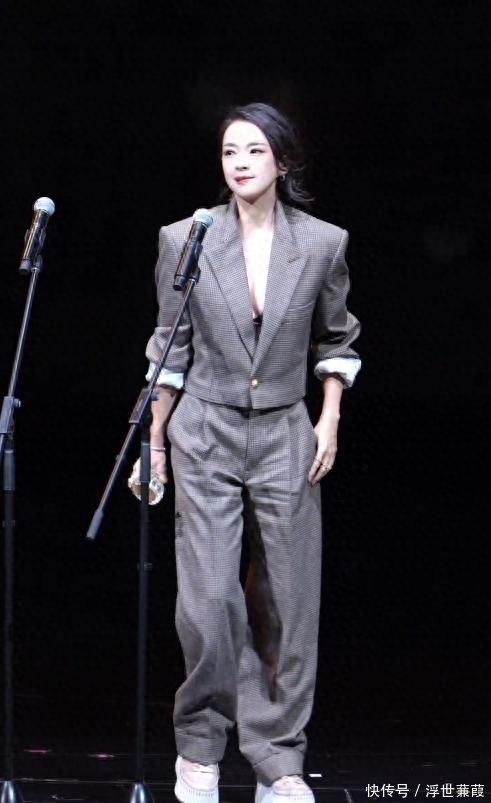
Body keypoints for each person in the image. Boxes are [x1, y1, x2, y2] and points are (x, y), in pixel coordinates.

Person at [143, 102, 361, 803]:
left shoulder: (322, 243)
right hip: (204, 428)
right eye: (229, 151)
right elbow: (169, 347)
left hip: (284, 430)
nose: (239, 162)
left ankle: (277, 762)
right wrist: (154, 442)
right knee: (209, 601)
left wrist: (328, 419)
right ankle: (198, 750)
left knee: (287, 603)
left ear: (283, 161)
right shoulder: (188, 237)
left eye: (254, 150)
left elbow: (336, 338)